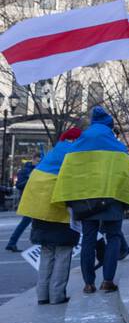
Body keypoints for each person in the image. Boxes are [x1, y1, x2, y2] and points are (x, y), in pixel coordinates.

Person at [68, 107, 129, 295]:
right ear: (109, 126)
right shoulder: (118, 146)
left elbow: (70, 174)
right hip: (111, 198)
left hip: (86, 199)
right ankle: (108, 281)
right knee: (113, 237)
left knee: (88, 239)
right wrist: (127, 200)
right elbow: (125, 176)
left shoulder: (78, 144)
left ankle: (88, 283)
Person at [32, 129, 81, 305]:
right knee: (63, 255)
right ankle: (57, 295)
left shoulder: (48, 159)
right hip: (62, 218)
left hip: (41, 217)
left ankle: (42, 295)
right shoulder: (73, 159)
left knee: (46, 256)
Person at [5, 157, 35, 250]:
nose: (39, 162)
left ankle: (35, 242)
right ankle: (12, 242)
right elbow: (19, 185)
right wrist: (30, 179)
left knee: (34, 222)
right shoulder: (25, 171)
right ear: (33, 159)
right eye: (38, 160)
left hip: (35, 199)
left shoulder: (37, 169)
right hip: (29, 199)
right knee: (26, 222)